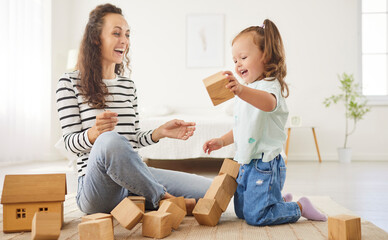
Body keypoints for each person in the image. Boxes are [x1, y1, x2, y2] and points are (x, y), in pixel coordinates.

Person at [56, 3, 211, 214]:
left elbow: (131, 141)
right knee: (109, 140)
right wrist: (94, 135)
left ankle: (148, 198)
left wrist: (159, 133)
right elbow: (68, 143)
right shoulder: (69, 83)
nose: (124, 41)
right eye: (116, 33)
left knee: (207, 190)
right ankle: (162, 198)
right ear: (95, 38)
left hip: (131, 182)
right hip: (96, 189)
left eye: (127, 34)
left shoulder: (128, 86)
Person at [203, 19, 327, 226]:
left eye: (243, 57)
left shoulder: (270, 85)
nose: (238, 64)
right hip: (245, 161)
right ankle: (275, 201)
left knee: (256, 216)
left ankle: (300, 207)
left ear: (265, 56)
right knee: (242, 212)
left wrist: (241, 90)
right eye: (234, 60)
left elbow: (269, 104)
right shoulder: (246, 91)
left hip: (265, 163)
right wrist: (221, 141)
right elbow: (243, 126)